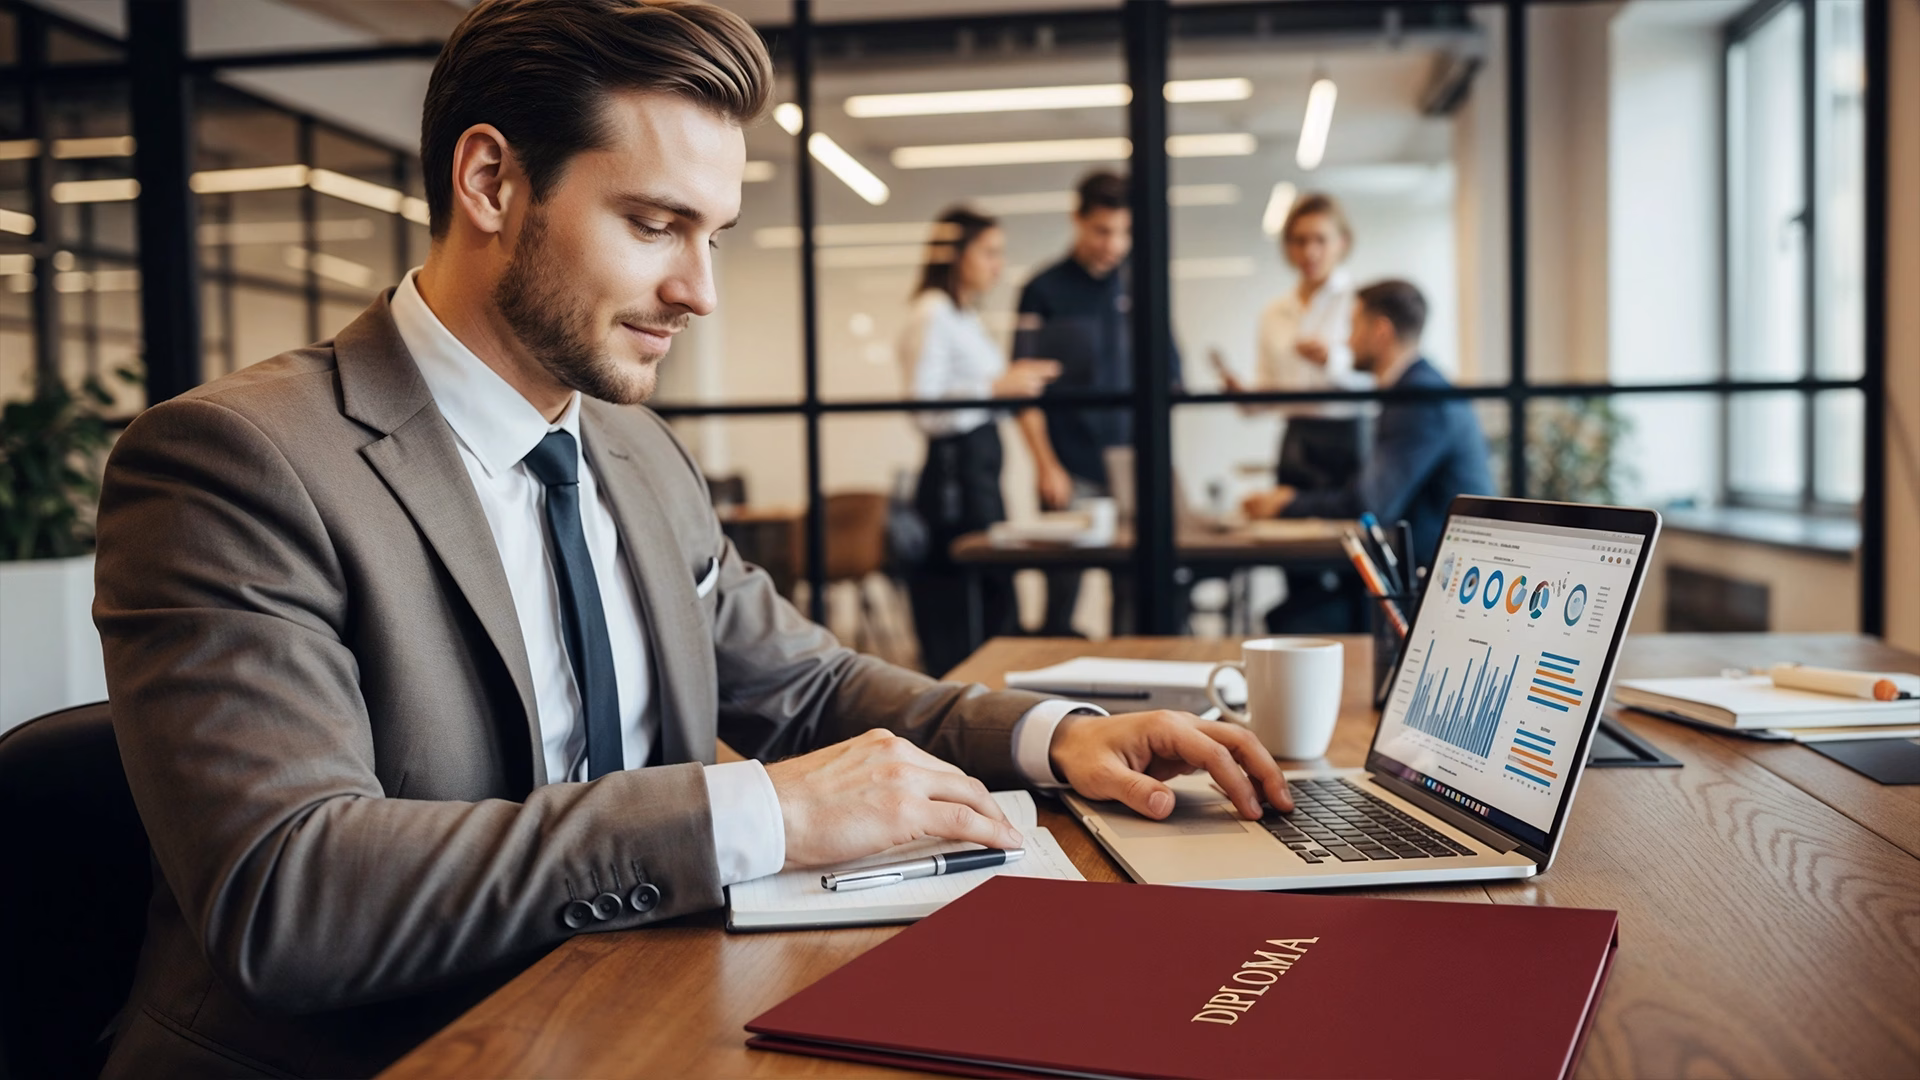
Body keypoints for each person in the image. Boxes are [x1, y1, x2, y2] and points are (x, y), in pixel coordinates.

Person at [91, 3, 1291, 1076]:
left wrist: (1055, 737)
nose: (699, 290)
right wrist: (760, 815)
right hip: (393, 1050)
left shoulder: (633, 452)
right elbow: (289, 895)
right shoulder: (237, 463)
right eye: (657, 225)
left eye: (712, 234)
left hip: (633, 1001)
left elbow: (804, 685)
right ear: (492, 182)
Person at [1242, 279, 1494, 632]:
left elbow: (1372, 503)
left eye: (1353, 326)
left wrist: (1288, 503)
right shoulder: (1417, 387)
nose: (1346, 341)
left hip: (1435, 587)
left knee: (1293, 619)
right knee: (1304, 607)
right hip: (1423, 571)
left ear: (1380, 331)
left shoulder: (1418, 399)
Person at [1012, 170, 1181, 635]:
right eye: (1103, 231)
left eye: (1125, 232)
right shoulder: (1043, 289)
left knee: (1133, 595)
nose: (1115, 244)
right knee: (1062, 594)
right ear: (1078, 220)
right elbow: (1024, 392)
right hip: (1070, 466)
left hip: (1132, 470)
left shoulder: (1141, 285)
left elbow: (1171, 379)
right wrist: (1046, 465)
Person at [899, 206, 1059, 676]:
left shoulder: (962, 315)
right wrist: (995, 387)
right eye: (989, 252)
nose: (998, 265)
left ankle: (989, 698)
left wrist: (1013, 384)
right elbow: (924, 409)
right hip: (955, 481)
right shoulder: (932, 312)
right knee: (968, 604)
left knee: (994, 597)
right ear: (956, 253)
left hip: (980, 475)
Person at [1214, 191, 1371, 411]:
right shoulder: (1273, 313)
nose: (1310, 252)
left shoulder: (1362, 304)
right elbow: (1268, 392)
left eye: (1320, 240)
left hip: (1350, 426)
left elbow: (1378, 382)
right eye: (1300, 241)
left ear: (1342, 242)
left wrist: (1330, 360)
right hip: (1295, 428)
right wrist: (1245, 398)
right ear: (1288, 246)